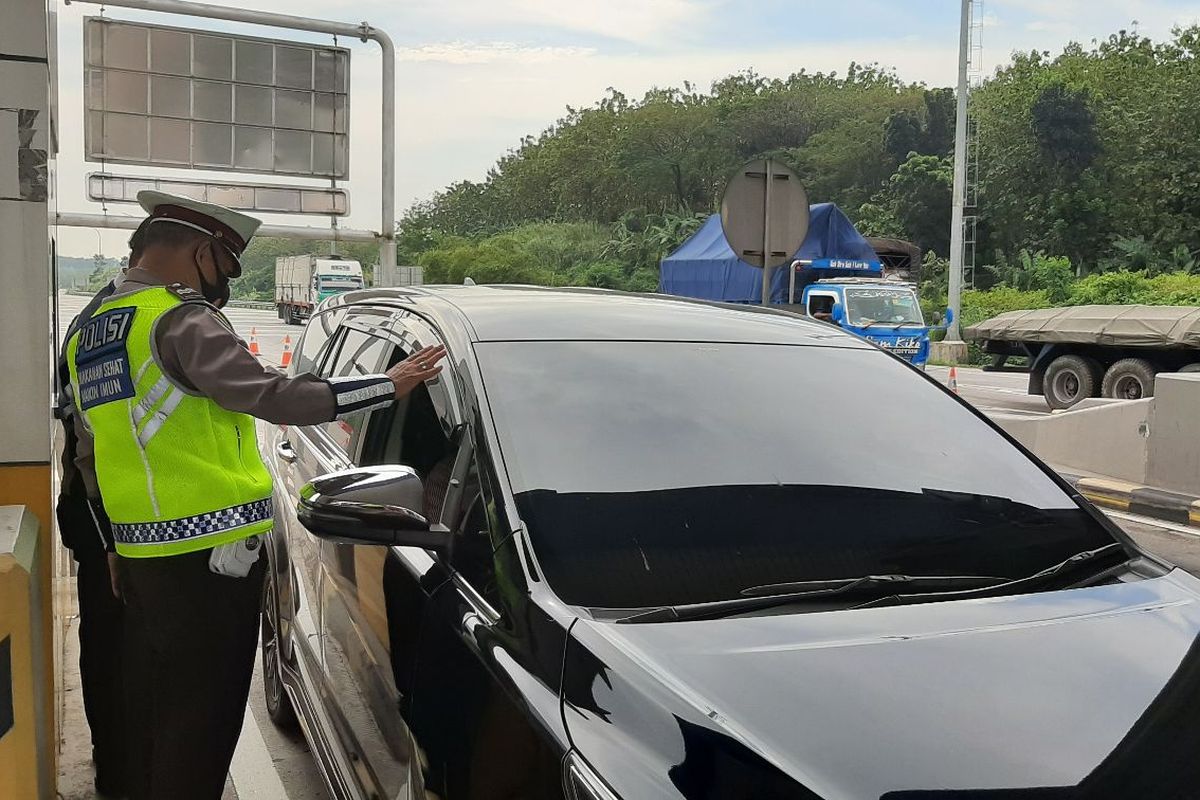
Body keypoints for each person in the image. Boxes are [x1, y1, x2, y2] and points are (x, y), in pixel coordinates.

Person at [65, 191, 446, 800]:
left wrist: (113, 544)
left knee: (154, 713)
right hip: (210, 563)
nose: (223, 283)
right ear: (200, 250)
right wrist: (387, 384)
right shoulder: (180, 319)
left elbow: (90, 447)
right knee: (203, 722)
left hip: (141, 559)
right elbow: (274, 397)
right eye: (227, 266)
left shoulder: (94, 328)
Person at [54, 219, 150, 798]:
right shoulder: (115, 325)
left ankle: (124, 764)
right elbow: (91, 443)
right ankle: (119, 771)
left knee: (120, 651)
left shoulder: (107, 314)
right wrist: (113, 540)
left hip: (125, 516)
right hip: (107, 518)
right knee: (116, 654)